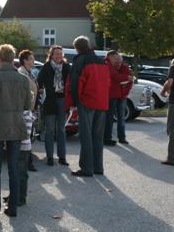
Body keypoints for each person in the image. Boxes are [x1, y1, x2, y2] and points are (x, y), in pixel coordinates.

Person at [0, 44, 33, 218]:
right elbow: (28, 105)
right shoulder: (23, 79)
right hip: (16, 125)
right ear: (13, 59)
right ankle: (13, 207)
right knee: (14, 168)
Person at [68, 36, 109, 177]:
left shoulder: (80, 61)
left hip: (87, 102)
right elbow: (107, 83)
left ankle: (86, 168)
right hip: (102, 102)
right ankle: (98, 167)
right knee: (98, 136)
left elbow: (76, 84)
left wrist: (74, 102)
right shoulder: (101, 61)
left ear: (77, 48)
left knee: (86, 136)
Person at [37, 46, 71, 166]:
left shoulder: (67, 67)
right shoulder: (46, 67)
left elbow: (71, 84)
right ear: (51, 55)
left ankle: (62, 157)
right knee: (50, 130)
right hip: (49, 101)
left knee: (61, 130)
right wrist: (40, 90)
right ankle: (50, 157)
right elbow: (38, 82)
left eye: (60, 54)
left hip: (62, 100)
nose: (58, 56)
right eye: (56, 54)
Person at [104, 50, 132, 145]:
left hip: (121, 96)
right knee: (109, 117)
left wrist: (125, 93)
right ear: (111, 58)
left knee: (121, 117)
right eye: (116, 61)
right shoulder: (107, 64)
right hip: (111, 95)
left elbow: (130, 81)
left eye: (119, 61)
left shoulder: (124, 67)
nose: (118, 64)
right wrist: (126, 78)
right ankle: (108, 138)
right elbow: (115, 76)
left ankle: (122, 137)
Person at [17, 50, 39, 170]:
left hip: (30, 109)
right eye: (31, 58)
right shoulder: (21, 73)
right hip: (24, 110)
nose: (33, 60)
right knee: (25, 138)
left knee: (28, 137)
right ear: (25, 60)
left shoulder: (30, 73)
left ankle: (27, 162)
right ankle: (27, 163)